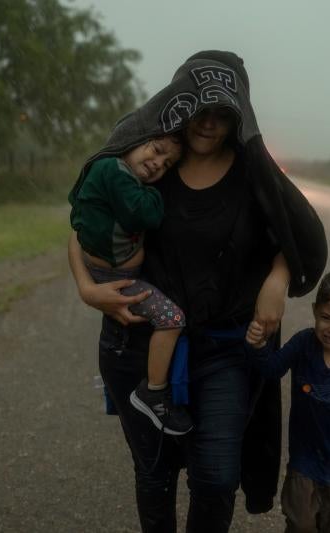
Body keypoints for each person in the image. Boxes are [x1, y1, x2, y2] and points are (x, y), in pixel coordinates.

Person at [67, 50, 328, 532]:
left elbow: (288, 239)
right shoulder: (152, 162)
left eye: (222, 113)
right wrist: (87, 288)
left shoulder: (253, 176)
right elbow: (84, 225)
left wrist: (277, 278)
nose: (208, 123)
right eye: (198, 110)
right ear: (178, 108)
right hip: (140, 345)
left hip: (226, 348)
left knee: (216, 476)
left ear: (237, 116)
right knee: (154, 474)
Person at [68, 133, 193, 435]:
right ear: (134, 140)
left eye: (167, 164)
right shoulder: (114, 170)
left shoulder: (116, 176)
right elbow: (144, 214)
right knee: (172, 319)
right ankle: (153, 391)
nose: (157, 164)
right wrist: (155, 195)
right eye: (156, 150)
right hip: (119, 282)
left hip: (118, 277)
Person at [245, 269, 330, 533]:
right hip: (304, 460)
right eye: (326, 317)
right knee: (300, 523)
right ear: (314, 311)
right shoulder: (303, 344)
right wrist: (258, 345)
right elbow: (272, 370)